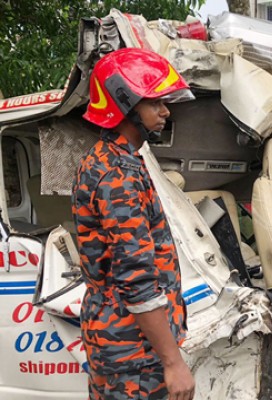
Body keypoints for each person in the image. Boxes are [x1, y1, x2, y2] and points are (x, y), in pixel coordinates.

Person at [72, 48, 196, 400]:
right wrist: (173, 363)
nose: (165, 110)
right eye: (154, 102)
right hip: (133, 355)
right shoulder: (117, 176)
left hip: (127, 346)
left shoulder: (114, 161)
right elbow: (136, 280)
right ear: (125, 105)